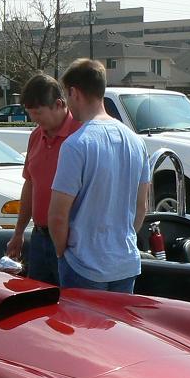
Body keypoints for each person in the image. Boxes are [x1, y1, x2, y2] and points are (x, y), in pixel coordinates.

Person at [48, 58, 151, 293]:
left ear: (74, 92)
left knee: (83, 330)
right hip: (124, 262)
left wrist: (63, 252)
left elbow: (57, 215)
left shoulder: (76, 144)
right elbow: (141, 206)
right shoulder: (136, 142)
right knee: (118, 330)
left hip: (83, 264)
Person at [5, 74, 79, 285]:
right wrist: (18, 232)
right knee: (36, 300)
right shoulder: (36, 136)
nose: (35, 120)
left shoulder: (81, 136)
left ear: (58, 104)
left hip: (71, 239)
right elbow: (30, 185)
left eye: (38, 113)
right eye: (30, 114)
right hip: (39, 236)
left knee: (69, 304)